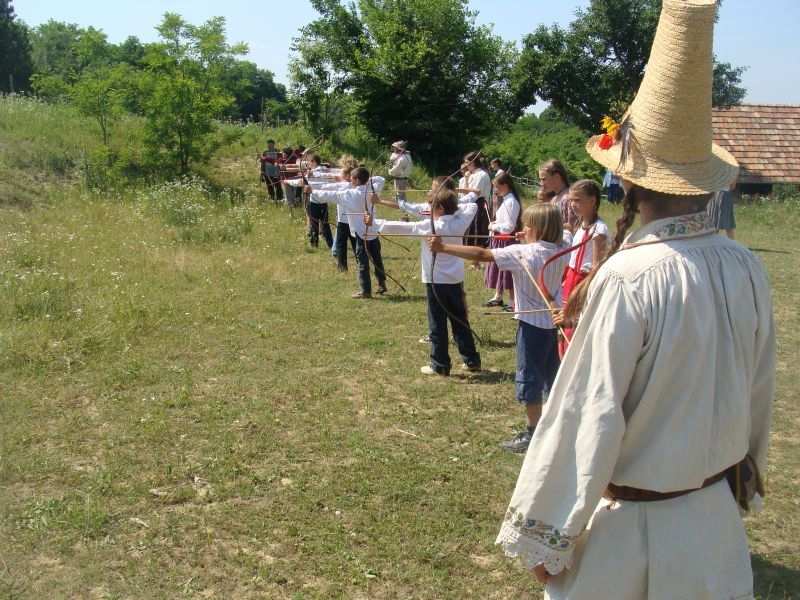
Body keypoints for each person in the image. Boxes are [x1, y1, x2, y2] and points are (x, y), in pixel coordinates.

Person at [496, 3, 775, 599]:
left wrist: (550, 536)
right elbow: (758, 391)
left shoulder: (628, 276)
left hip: (631, 543)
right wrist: (744, 472)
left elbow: (585, 415)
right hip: (714, 527)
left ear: (627, 182)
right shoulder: (746, 265)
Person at [429, 203, 571, 452]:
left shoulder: (523, 253)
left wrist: (443, 247)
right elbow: (566, 232)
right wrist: (530, 237)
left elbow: (482, 255)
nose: (522, 229)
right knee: (551, 375)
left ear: (537, 228)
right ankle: (555, 427)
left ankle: (533, 433)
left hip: (531, 324)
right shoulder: (563, 247)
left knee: (529, 378)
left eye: (527, 225)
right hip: (552, 323)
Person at [368, 182, 481, 376]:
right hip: (454, 279)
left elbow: (404, 228)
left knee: (437, 323)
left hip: (436, 281)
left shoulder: (432, 226)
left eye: (431, 206)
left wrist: (375, 223)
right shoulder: (461, 220)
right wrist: (451, 205)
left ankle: (440, 364)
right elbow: (473, 205)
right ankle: (471, 360)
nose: (428, 209)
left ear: (440, 208)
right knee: (460, 320)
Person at [307, 167, 387, 298]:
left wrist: (312, 191)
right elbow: (381, 179)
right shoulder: (372, 189)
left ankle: (366, 291)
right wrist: (367, 180)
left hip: (362, 233)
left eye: (352, 178)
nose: (350, 180)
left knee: (363, 261)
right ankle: (382, 283)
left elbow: (329, 195)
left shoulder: (349, 194)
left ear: (356, 179)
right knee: (376, 258)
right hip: (373, 231)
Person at [557, 180, 608, 356]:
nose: (573, 205)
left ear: (593, 201)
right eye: (571, 200)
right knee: (562, 324)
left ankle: (571, 362)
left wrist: (580, 291)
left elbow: (595, 267)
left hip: (583, 282)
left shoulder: (599, 230)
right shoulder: (581, 224)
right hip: (571, 278)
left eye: (577, 200)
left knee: (575, 325)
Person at [484, 173, 522, 310]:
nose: (495, 190)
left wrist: (493, 226)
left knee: (508, 271)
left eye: (497, 187)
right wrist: (496, 223)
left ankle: (513, 302)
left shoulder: (511, 202)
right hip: (500, 240)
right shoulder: (506, 200)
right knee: (499, 270)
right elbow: (504, 221)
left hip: (507, 241)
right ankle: (498, 296)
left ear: (505, 186)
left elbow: (509, 227)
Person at [330, 156, 360, 271]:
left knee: (341, 244)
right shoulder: (356, 184)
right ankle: (361, 264)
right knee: (355, 244)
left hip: (344, 220)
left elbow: (334, 188)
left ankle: (342, 267)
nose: (340, 175)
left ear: (348, 176)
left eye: (342, 174)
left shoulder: (344, 186)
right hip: (353, 220)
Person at [539, 159, 577, 233]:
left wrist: (548, 226)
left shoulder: (568, 198)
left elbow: (573, 226)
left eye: (544, 179)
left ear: (557, 177)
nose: (541, 183)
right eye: (540, 180)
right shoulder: (554, 199)